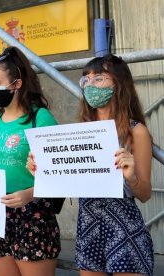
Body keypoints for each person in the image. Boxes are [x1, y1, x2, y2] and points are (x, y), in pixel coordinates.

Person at [27, 54, 154, 276]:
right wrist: (42, 172)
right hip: (88, 224)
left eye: (99, 78)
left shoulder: (136, 131)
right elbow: (66, 183)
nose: (90, 84)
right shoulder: (81, 131)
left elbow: (144, 194)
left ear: (119, 83)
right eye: (86, 79)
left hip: (124, 225)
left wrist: (131, 177)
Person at [0, 46, 60, 276]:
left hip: (33, 216)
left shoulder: (40, 119)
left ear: (16, 84)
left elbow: (60, 174)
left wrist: (30, 194)